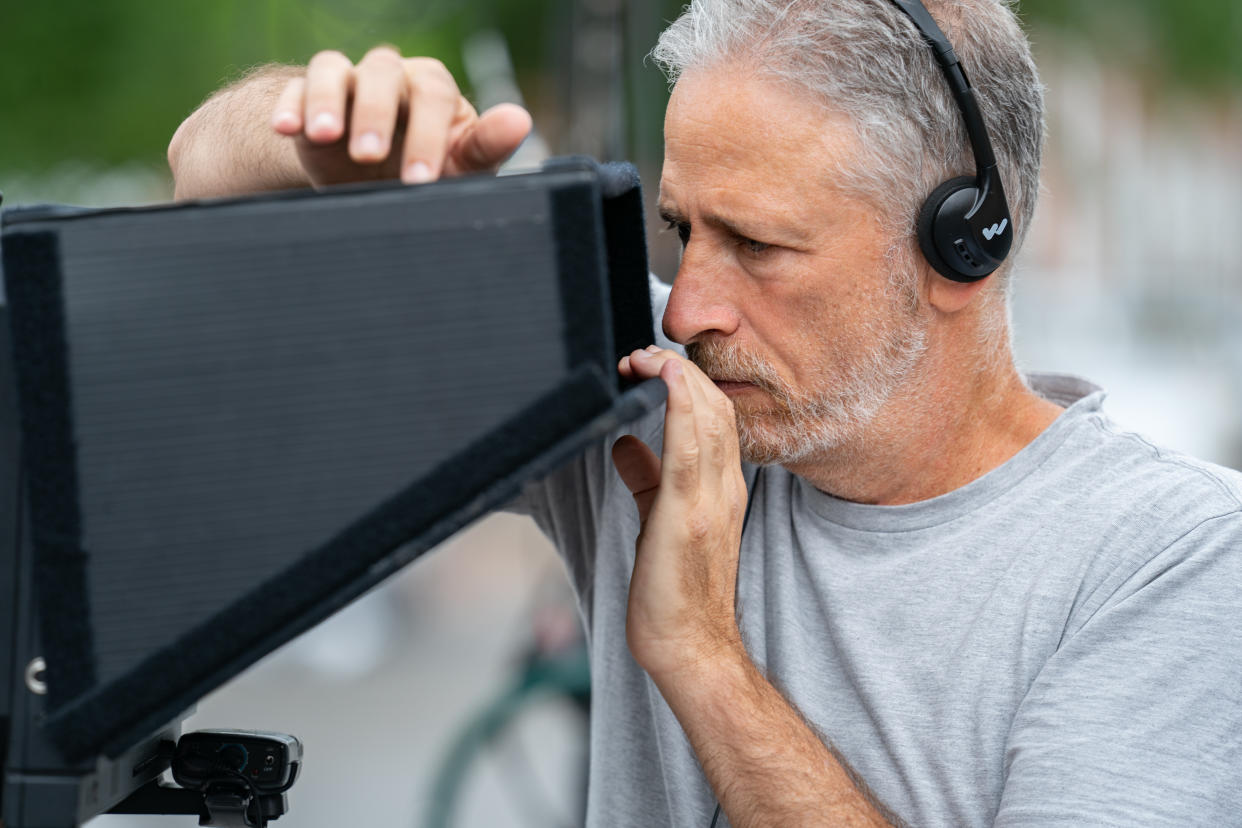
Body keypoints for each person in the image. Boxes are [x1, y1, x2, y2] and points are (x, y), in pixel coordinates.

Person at [168, 1, 1242, 825]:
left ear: (965, 245)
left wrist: (699, 652)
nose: (689, 306)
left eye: (760, 245)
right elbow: (199, 187)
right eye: (684, 230)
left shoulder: (1175, 558)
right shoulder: (646, 397)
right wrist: (320, 129)